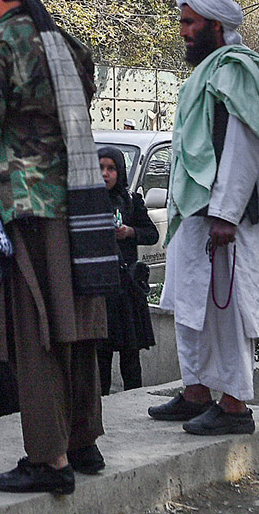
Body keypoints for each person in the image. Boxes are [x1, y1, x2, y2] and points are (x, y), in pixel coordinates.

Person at [0, 0, 117, 495]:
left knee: (32, 331)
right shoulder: (65, 43)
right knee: (78, 325)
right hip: (80, 203)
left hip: (25, 207)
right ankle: (84, 443)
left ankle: (49, 460)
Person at [149, 0, 259, 435]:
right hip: (197, 214)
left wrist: (225, 214)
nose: (184, 32)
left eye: (191, 23)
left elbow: (242, 148)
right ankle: (196, 391)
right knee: (191, 303)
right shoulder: (208, 73)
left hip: (225, 218)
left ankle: (235, 406)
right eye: (182, 22)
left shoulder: (238, 71)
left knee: (230, 308)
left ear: (216, 26)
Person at [97, 146, 158, 393]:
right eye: (100, 168)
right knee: (101, 354)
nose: (105, 174)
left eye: (111, 168)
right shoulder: (88, 203)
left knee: (130, 353)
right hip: (101, 288)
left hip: (127, 288)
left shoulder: (131, 201)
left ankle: (134, 400)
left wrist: (129, 232)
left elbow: (151, 234)